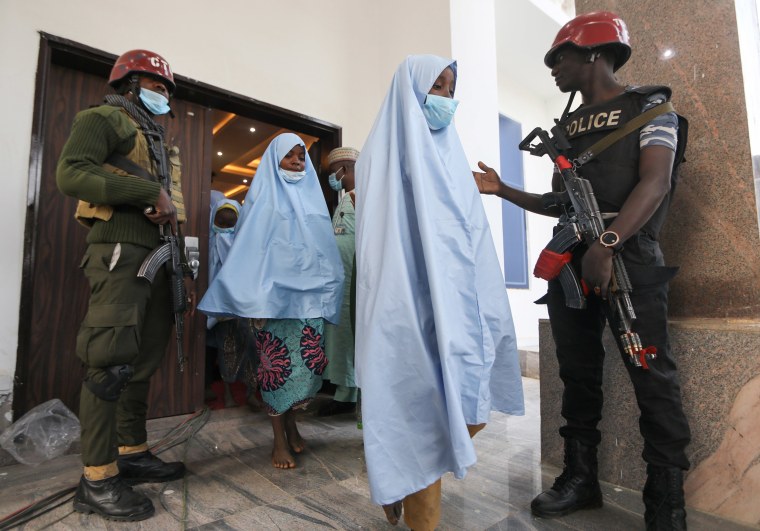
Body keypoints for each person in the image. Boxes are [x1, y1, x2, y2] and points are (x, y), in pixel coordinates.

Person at [473, 12, 690, 530]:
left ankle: (666, 499)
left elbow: (655, 183)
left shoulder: (649, 108)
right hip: (571, 257)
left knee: (652, 375)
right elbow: (560, 201)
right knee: (576, 373)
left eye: (559, 57)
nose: (553, 69)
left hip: (628, 256)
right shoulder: (567, 127)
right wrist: (504, 190)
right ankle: (580, 477)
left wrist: (610, 243)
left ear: (593, 53)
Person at [355, 54, 524, 531]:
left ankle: (397, 481)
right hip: (406, 305)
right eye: (438, 87)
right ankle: (409, 497)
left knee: (472, 405)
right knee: (418, 413)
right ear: (409, 90)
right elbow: (384, 249)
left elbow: (470, 236)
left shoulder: (450, 153)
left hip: (461, 302)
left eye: (451, 89)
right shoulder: (380, 156)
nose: (446, 98)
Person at [56, 49, 190, 522]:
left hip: (156, 255)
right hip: (118, 251)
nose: (164, 96)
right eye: (157, 87)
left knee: (141, 357)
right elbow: (71, 172)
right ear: (130, 85)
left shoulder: (152, 136)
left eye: (167, 90)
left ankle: (130, 450)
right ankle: (96, 477)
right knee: (109, 359)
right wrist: (144, 192)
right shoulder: (103, 118)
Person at [198, 133, 344, 469]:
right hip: (272, 305)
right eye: (289, 156)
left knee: (307, 371)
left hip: (307, 305)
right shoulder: (261, 201)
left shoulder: (314, 204)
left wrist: (329, 290)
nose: (296, 162)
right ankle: (278, 440)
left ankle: (292, 424)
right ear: (273, 161)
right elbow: (248, 253)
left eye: (300, 157)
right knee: (275, 372)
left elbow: (324, 252)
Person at [206, 196, 258, 409]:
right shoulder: (207, 245)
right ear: (212, 222)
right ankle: (227, 394)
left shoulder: (246, 247)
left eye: (231, 226)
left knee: (251, 350)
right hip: (220, 313)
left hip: (243, 309)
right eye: (221, 225)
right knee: (225, 351)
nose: (225, 232)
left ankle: (251, 393)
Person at [319, 146, 360, 417]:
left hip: (353, 281)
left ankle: (349, 396)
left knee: (350, 336)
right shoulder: (346, 198)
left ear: (344, 169)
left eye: (334, 172)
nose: (333, 177)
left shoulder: (360, 197)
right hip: (339, 282)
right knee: (341, 336)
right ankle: (345, 392)